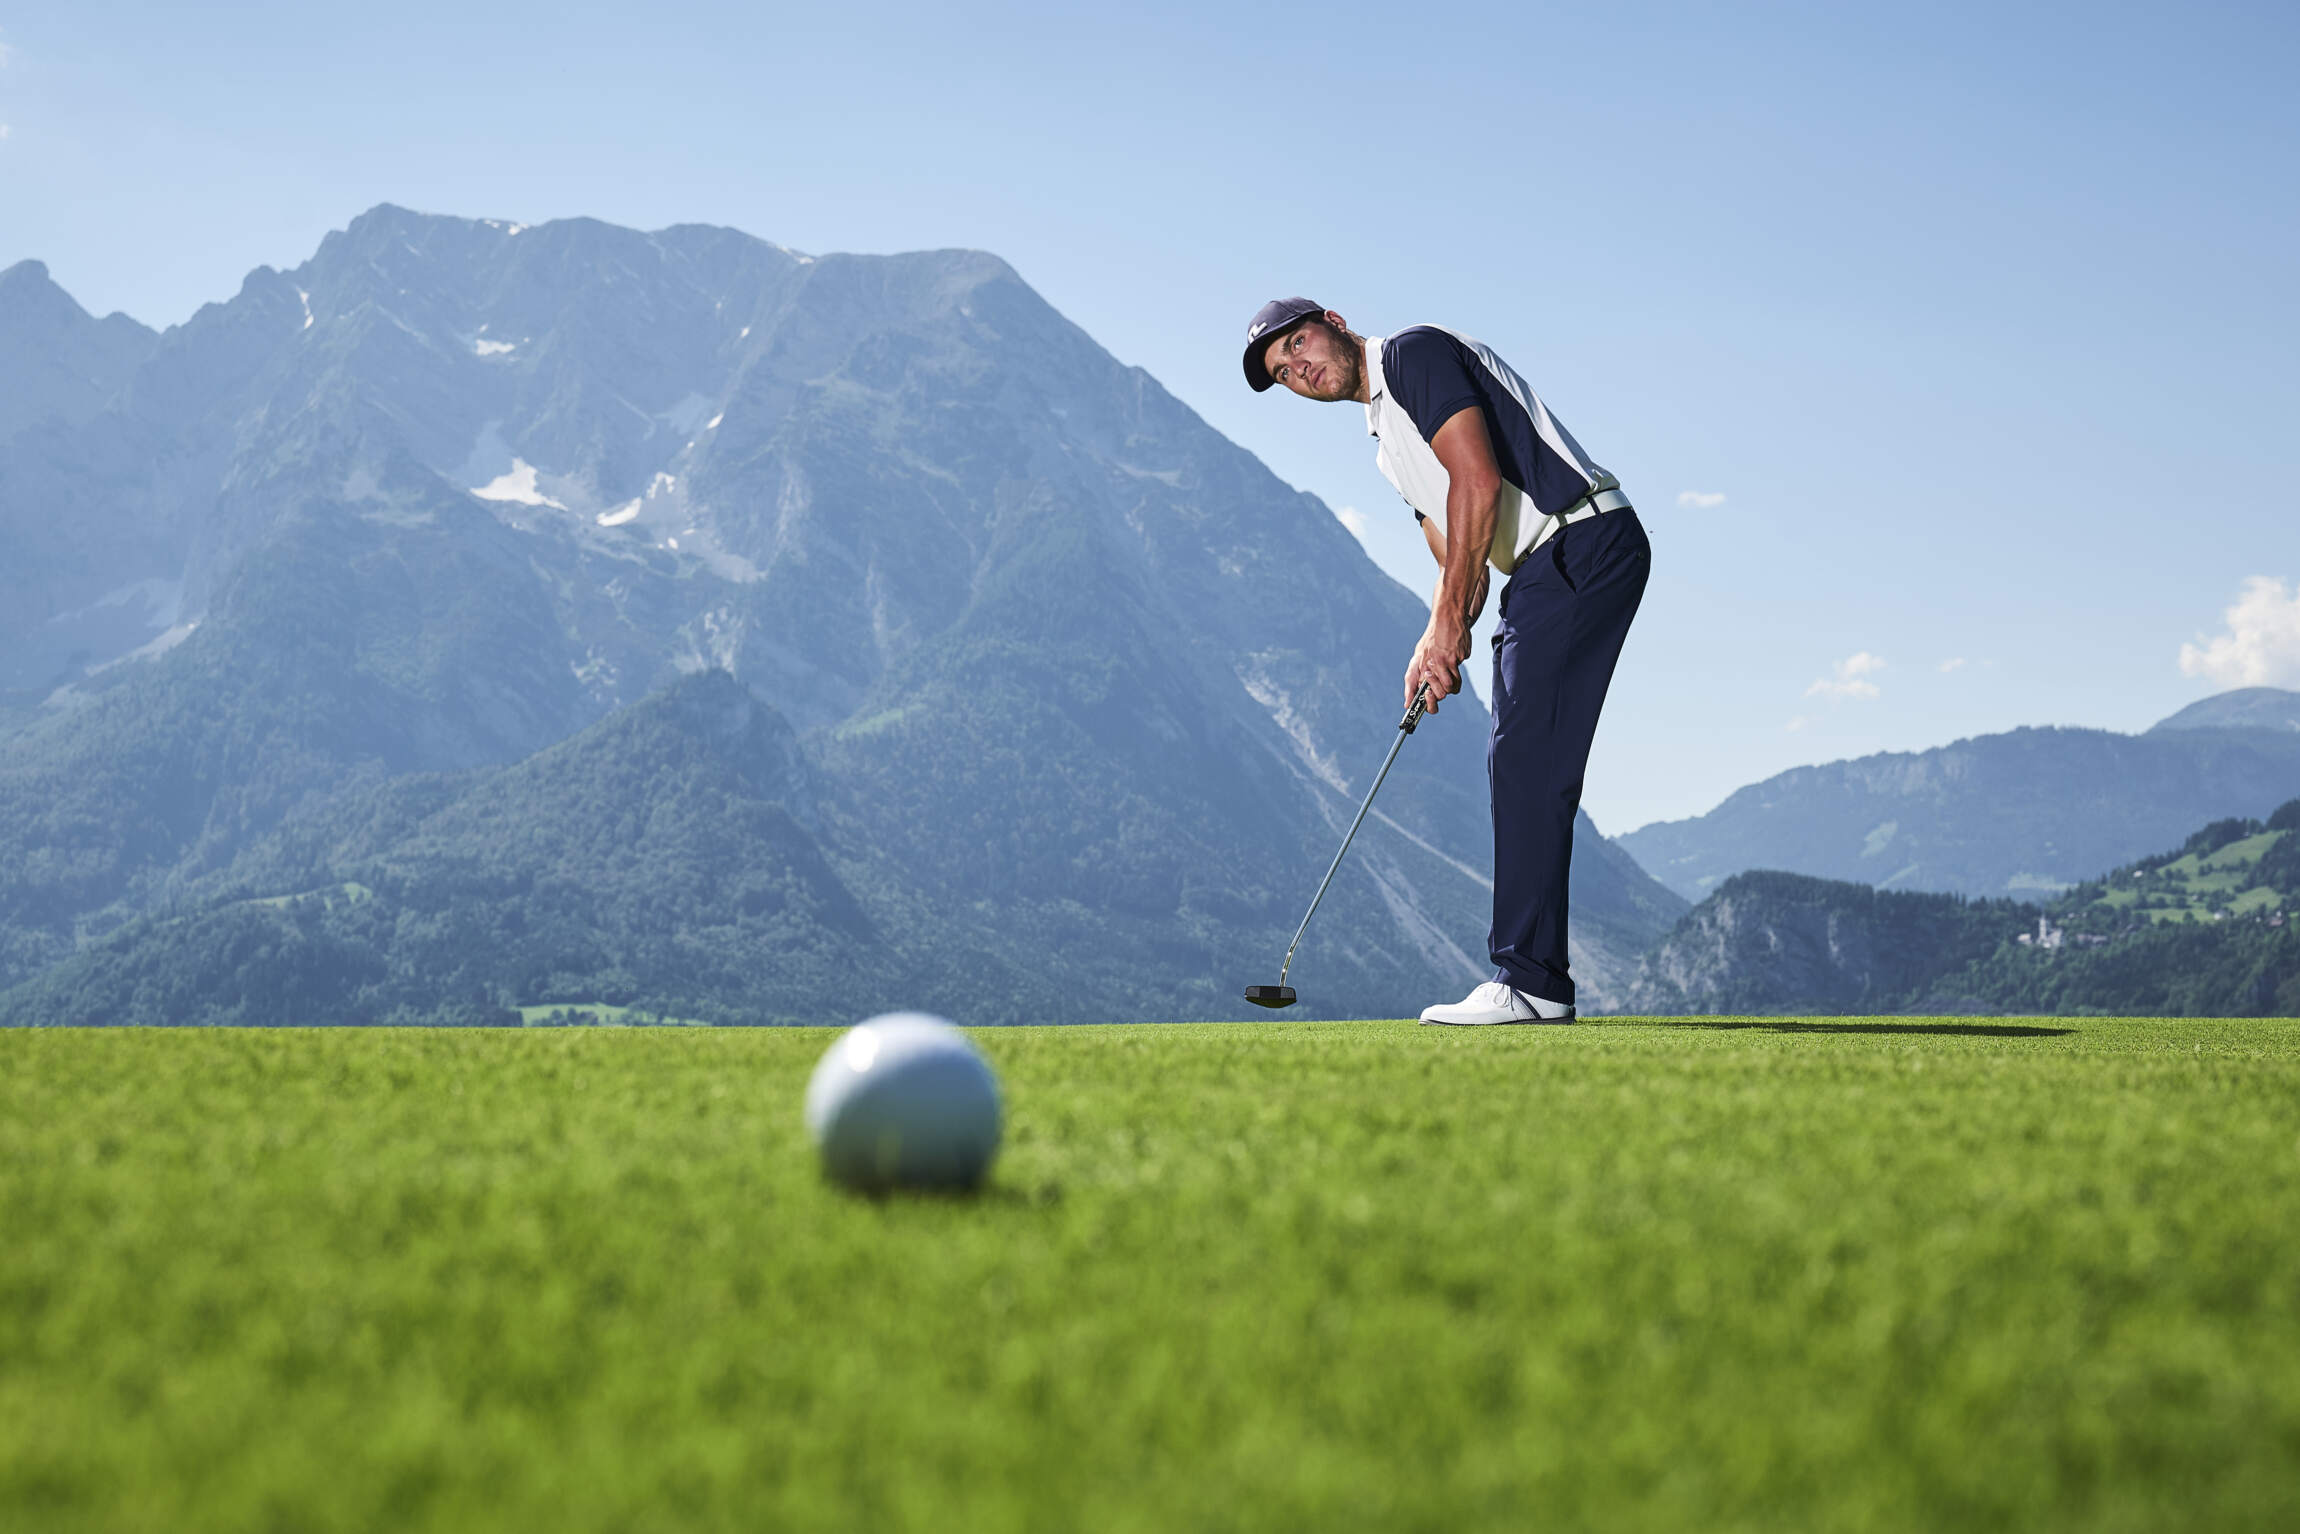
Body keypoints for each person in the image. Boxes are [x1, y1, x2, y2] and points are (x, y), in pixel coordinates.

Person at [1243, 298, 1650, 1024]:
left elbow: (1479, 483)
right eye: (1283, 373)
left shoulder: (1410, 355)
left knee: (1526, 755)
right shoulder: (1384, 444)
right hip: (1541, 568)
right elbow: (1456, 553)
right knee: (1521, 757)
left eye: (1297, 343)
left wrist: (1445, 624)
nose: (1298, 369)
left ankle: (1531, 984)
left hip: (1579, 541)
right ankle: (1533, 980)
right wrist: (1437, 636)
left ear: (1333, 320)